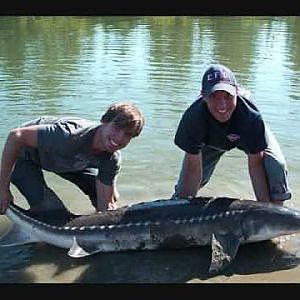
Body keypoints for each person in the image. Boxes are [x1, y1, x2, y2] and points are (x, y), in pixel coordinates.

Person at [172, 63, 291, 205]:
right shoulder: (193, 118)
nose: (222, 104)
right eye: (214, 96)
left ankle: (278, 216)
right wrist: (182, 212)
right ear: (203, 95)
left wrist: (265, 210)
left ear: (237, 92)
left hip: (245, 132)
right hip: (209, 141)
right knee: (181, 198)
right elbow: (193, 171)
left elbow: (255, 164)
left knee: (277, 164)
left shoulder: (251, 117)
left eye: (228, 96)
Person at [0, 102, 144, 217]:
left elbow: (104, 207)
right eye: (117, 128)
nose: (120, 138)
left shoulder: (112, 157)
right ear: (104, 121)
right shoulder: (69, 135)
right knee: (51, 211)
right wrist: (3, 188)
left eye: (128, 135)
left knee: (111, 200)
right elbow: (16, 136)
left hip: (68, 161)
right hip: (25, 155)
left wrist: (105, 216)